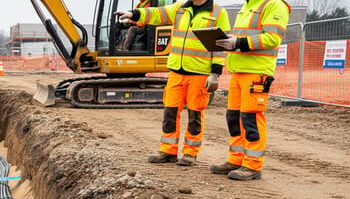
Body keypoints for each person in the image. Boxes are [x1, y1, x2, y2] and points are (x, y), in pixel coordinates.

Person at [117, 0, 230, 167]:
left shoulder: (218, 13)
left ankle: (190, 153)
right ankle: (168, 151)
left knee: (195, 115)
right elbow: (157, 13)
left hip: (199, 73)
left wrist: (215, 73)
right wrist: (134, 14)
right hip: (177, 71)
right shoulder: (180, 8)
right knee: (170, 112)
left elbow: (221, 45)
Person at [212, 0, 291, 180]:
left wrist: (237, 42)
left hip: (256, 72)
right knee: (233, 117)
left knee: (251, 119)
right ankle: (236, 159)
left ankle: (253, 166)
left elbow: (272, 38)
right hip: (239, 70)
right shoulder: (248, 6)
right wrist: (229, 41)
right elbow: (244, 38)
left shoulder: (274, 4)